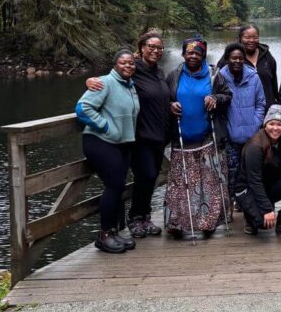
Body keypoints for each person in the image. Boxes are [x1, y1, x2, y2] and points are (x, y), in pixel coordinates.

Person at [85, 29, 170, 238]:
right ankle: (134, 219)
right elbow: (113, 77)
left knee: (151, 178)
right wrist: (90, 81)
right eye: (151, 47)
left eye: (159, 48)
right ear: (141, 49)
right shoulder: (134, 68)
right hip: (140, 135)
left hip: (158, 135)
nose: (156, 51)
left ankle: (144, 216)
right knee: (145, 175)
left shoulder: (158, 71)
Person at [166, 36, 231, 241]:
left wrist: (215, 98)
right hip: (181, 138)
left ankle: (208, 223)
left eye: (197, 53)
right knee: (180, 183)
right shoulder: (174, 75)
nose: (193, 56)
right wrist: (170, 105)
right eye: (189, 52)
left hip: (207, 137)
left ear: (203, 55)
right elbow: (165, 97)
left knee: (209, 183)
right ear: (183, 54)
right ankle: (177, 223)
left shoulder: (214, 75)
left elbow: (227, 96)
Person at [76, 49, 140, 253]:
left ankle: (113, 231)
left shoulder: (130, 86)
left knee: (118, 187)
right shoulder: (104, 83)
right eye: (123, 62)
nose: (128, 66)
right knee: (114, 185)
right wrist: (106, 127)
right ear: (115, 65)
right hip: (100, 141)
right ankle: (104, 235)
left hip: (121, 143)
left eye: (131, 63)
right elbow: (82, 108)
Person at [234, 105, 281, 236]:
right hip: (248, 189)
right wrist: (267, 210)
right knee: (264, 223)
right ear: (265, 125)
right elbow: (254, 181)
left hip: (268, 185)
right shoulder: (255, 146)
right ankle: (250, 218)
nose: (275, 128)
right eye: (271, 124)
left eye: (279, 124)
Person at [218, 42, 266, 202]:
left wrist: (256, 123)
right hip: (229, 135)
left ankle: (247, 202)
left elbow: (261, 103)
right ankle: (231, 202)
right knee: (231, 172)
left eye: (240, 58)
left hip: (251, 135)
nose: (237, 61)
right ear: (227, 59)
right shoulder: (219, 78)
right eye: (234, 58)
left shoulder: (253, 77)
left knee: (251, 170)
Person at [218, 24, 278, 108]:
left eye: (255, 37)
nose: (251, 40)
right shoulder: (231, 57)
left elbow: (274, 83)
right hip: (240, 109)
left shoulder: (266, 55)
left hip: (267, 108)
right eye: (247, 37)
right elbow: (218, 80)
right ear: (240, 38)